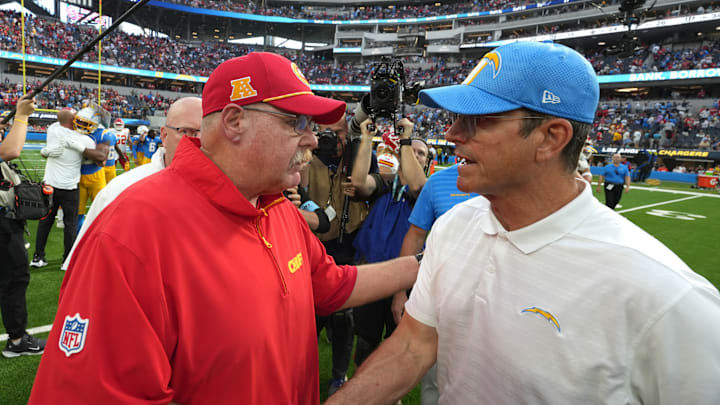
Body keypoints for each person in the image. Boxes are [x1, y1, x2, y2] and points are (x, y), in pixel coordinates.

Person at [327, 41, 720, 404]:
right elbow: (414, 344)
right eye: (455, 118)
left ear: (551, 138)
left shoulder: (666, 299)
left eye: (477, 120)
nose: (452, 134)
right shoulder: (455, 226)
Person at [29, 52, 419, 404]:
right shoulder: (132, 232)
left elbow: (329, 284)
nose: (312, 139)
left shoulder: (276, 207)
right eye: (296, 122)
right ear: (234, 121)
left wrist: (424, 262)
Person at [62, 97, 202, 271]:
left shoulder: (231, 189)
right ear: (164, 136)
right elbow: (84, 264)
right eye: (186, 131)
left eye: (206, 132)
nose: (199, 140)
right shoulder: (120, 189)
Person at [390, 163, 481, 405]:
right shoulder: (438, 182)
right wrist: (401, 292)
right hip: (441, 303)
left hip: (492, 309)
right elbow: (415, 236)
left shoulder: (514, 182)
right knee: (434, 381)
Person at [350, 118, 429, 367]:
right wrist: (366, 138)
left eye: (421, 153)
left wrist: (406, 139)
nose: (415, 155)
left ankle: (390, 393)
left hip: (407, 281)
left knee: (398, 341)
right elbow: (360, 182)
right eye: (411, 150)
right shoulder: (386, 183)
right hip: (373, 273)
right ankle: (361, 385)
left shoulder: (429, 192)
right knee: (366, 339)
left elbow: (416, 185)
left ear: (427, 162)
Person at [302, 113, 370, 396]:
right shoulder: (307, 157)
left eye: (339, 133)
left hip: (347, 252)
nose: (332, 138)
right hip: (312, 251)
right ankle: (302, 372)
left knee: (344, 322)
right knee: (307, 321)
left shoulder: (359, 157)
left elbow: (368, 183)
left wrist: (361, 142)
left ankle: (338, 377)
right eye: (325, 132)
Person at [0, 94, 47, 358]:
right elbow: (10, 150)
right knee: (14, 280)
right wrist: (22, 116)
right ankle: (17, 341)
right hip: (3, 225)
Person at [29, 109, 106, 267]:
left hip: (49, 184)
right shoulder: (85, 140)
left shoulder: (53, 129)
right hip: (69, 187)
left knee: (46, 221)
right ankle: (67, 259)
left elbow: (61, 118)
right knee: (70, 224)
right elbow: (99, 160)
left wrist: (45, 152)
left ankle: (38, 257)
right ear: (74, 121)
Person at [101, 118, 131, 183]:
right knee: (114, 168)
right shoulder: (126, 130)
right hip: (115, 152)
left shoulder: (110, 130)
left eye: (120, 124)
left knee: (126, 167)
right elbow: (129, 141)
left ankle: (129, 180)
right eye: (117, 124)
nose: (119, 126)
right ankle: (129, 180)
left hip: (119, 152)